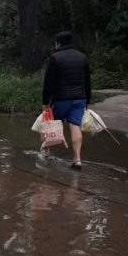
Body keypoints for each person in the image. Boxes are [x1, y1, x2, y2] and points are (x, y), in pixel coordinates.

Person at [42, 31, 91, 170]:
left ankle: (48, 154)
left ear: (58, 43)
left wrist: (45, 102)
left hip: (60, 99)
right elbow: (87, 81)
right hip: (79, 99)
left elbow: (48, 82)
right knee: (75, 126)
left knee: (52, 126)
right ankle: (77, 159)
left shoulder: (55, 57)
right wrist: (87, 99)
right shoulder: (82, 57)